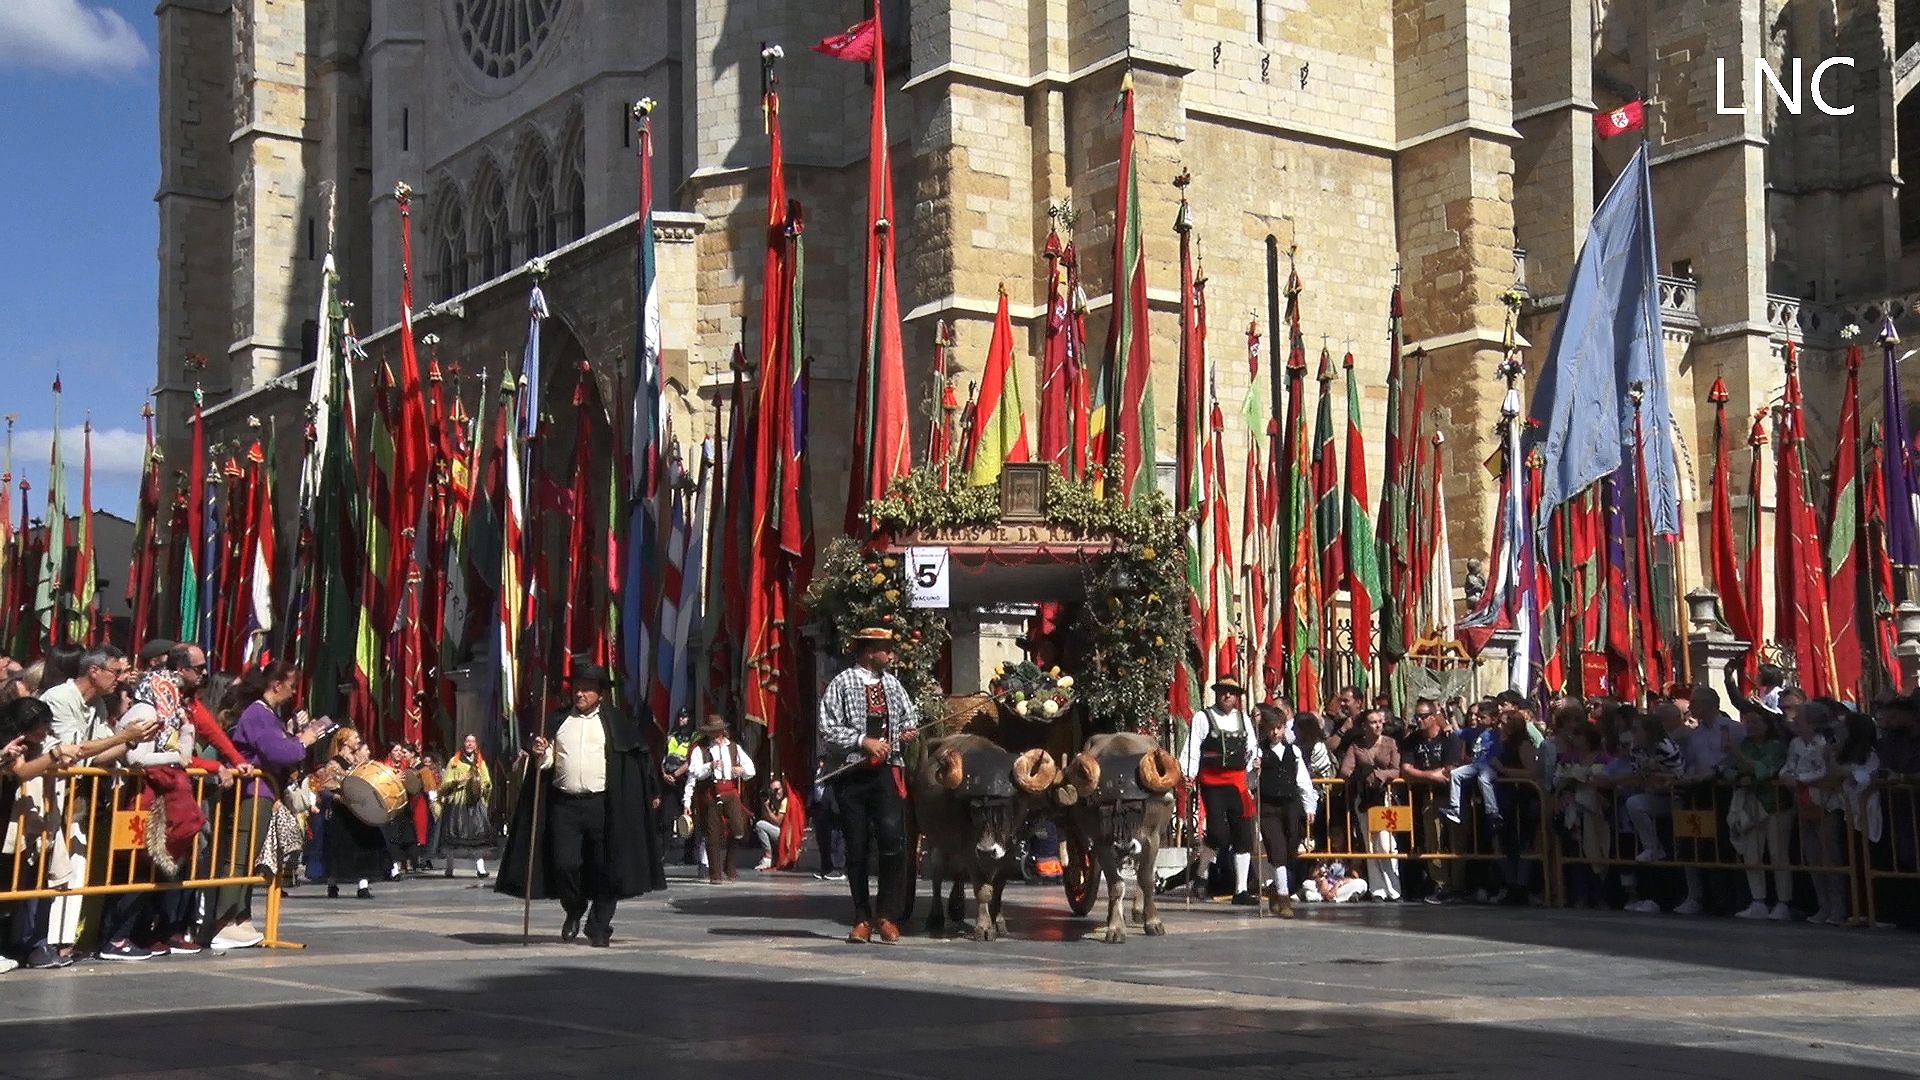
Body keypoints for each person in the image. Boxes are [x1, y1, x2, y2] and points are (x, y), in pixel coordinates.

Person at [497, 663, 667, 946]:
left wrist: (650, 792)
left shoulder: (615, 724)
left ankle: (599, 925)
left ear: (600, 694)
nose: (580, 693)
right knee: (565, 864)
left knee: (607, 868)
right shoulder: (557, 721)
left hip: (604, 806)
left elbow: (636, 762)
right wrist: (539, 754)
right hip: (565, 805)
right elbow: (548, 762)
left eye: (587, 688)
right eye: (576, 687)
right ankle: (574, 908)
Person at [816, 627, 922, 944]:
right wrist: (863, 741)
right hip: (852, 775)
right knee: (857, 847)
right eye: (884, 648)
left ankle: (885, 914)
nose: (890, 654)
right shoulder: (842, 684)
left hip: (886, 773)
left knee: (893, 842)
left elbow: (908, 717)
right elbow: (827, 727)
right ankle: (861, 916)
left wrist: (906, 732)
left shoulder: (893, 684)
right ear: (867, 651)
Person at [1180, 675, 1258, 906]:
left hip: (1237, 782)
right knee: (1218, 833)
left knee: (1244, 835)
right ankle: (1202, 873)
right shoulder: (1203, 717)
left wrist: (1255, 763)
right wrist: (1189, 774)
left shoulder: (1244, 719)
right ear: (1217, 693)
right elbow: (1193, 747)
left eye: (1232, 692)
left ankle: (1241, 890)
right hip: (1212, 781)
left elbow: (1252, 748)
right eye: (1223, 691)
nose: (1227, 695)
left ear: (1237, 697)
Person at [1722, 703, 1792, 921]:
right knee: (1752, 853)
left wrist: (1739, 758)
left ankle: (1783, 902)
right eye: (1747, 722)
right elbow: (1729, 769)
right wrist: (1737, 776)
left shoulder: (1776, 746)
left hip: (1775, 805)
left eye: (1755, 722)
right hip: (1751, 805)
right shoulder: (1745, 744)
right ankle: (1758, 900)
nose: (1750, 726)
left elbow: (1764, 770)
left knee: (1778, 854)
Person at [1252, 704, 1314, 918]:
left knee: (1289, 848)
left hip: (1290, 805)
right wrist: (1254, 769)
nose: (1275, 732)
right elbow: (1249, 781)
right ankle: (1285, 898)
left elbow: (1303, 780)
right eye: (1271, 728)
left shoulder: (1293, 751)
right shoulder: (1259, 752)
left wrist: (1309, 805)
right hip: (1268, 806)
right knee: (1277, 851)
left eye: (1279, 728)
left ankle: (1274, 891)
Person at [1402, 705, 1466, 905]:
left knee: (1457, 840)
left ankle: (1457, 886)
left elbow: (1449, 769)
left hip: (1452, 796)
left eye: (1423, 716)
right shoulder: (1413, 740)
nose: (1419, 720)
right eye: (1417, 716)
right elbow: (1406, 769)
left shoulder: (1449, 738)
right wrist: (1429, 775)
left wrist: (1437, 774)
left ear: (1434, 716)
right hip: (1428, 797)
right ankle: (1440, 884)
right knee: (1433, 842)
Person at [1337, 708, 1403, 901]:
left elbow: (1396, 769)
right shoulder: (1357, 746)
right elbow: (1345, 770)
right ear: (1365, 726)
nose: (1378, 725)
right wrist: (1359, 775)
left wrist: (1380, 775)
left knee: (1386, 843)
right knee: (1370, 843)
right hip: (1364, 798)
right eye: (1373, 722)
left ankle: (1394, 888)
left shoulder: (1390, 743)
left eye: (1380, 722)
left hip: (1385, 798)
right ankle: (1378, 890)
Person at [687, 714, 755, 883]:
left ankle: (729, 865)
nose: (715, 736)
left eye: (717, 732)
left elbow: (750, 769)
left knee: (739, 829)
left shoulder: (734, 747)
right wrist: (709, 766)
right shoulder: (700, 749)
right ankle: (715, 874)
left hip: (730, 791)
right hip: (710, 793)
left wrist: (741, 771)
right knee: (713, 834)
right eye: (712, 733)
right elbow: (695, 772)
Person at [438, 733, 494, 879]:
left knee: (477, 836)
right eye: (467, 741)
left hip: (474, 803)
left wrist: (483, 786)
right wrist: (458, 782)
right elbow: (445, 783)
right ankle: (449, 867)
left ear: (476, 745)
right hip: (458, 802)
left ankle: (480, 868)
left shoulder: (480, 762)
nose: (470, 744)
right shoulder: (454, 762)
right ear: (463, 744)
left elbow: (487, 780)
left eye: (472, 742)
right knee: (453, 836)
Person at [1440, 700, 1503, 828]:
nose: (1478, 720)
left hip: (1489, 765)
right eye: (1477, 717)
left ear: (1493, 719)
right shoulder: (1473, 731)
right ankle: (1455, 809)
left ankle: (1493, 812)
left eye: (1482, 717)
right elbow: (1458, 731)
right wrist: (1449, 721)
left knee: (1484, 778)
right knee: (1455, 774)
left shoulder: (1496, 733)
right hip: (1476, 766)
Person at [809, 756, 846, 881]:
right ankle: (826, 868)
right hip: (819, 807)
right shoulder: (815, 773)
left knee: (835, 839)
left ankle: (838, 868)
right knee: (823, 839)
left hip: (832, 808)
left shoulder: (832, 773)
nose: (820, 764)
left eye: (823, 761)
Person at [754, 779, 790, 872]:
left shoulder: (785, 801)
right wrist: (766, 804)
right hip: (779, 831)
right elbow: (767, 819)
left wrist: (767, 807)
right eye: (772, 791)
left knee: (760, 825)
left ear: (783, 789)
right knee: (762, 826)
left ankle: (768, 857)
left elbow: (778, 821)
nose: (775, 793)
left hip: (785, 835)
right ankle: (772, 857)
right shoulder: (774, 801)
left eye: (777, 790)